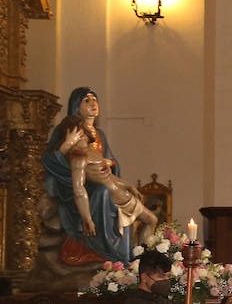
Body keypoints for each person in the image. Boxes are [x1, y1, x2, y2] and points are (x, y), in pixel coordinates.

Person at [42, 87, 153, 262]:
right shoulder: (67, 130)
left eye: (95, 99)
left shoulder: (99, 134)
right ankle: (106, 248)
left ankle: (136, 257)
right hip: (73, 185)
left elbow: (109, 163)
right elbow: (49, 160)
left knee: (114, 194)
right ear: (76, 107)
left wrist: (109, 164)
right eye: (86, 100)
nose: (93, 103)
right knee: (102, 192)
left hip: (106, 182)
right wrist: (68, 144)